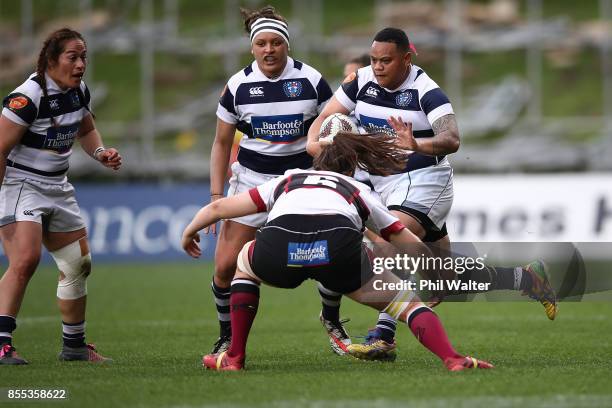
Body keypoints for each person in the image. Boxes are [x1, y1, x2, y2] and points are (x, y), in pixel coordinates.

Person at [307, 27, 557, 360]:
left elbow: (452, 138)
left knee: (388, 244)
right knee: (445, 279)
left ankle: (383, 336)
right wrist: (314, 144)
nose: (378, 66)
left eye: (386, 60)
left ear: (406, 59)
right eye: (373, 59)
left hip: (424, 181)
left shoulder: (427, 92)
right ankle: (527, 279)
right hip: (380, 183)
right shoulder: (360, 81)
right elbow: (326, 117)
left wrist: (417, 144)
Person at [183, 132, 493, 372]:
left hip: (280, 248)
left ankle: (234, 357)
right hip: (337, 252)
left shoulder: (289, 179)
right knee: (407, 305)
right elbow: (399, 234)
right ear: (352, 168)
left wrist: (190, 230)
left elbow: (221, 206)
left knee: (245, 260)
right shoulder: (357, 190)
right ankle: (453, 358)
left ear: (318, 162)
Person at [208, 5, 333, 354]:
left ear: (286, 46)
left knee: (328, 256)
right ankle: (227, 336)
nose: (268, 50)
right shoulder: (238, 86)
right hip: (251, 181)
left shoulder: (311, 81)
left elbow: (334, 128)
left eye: (275, 43)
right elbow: (220, 143)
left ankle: (333, 320)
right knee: (224, 267)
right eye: (261, 43)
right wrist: (217, 196)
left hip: (299, 183)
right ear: (252, 47)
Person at [0, 28, 121, 365]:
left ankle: (74, 347)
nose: (81, 64)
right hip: (21, 185)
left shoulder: (78, 90)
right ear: (51, 60)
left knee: (77, 265)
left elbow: (85, 129)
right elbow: (0, 147)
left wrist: (99, 153)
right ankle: (1, 343)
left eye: (83, 57)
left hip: (58, 187)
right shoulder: (27, 97)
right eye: (73, 57)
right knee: (25, 260)